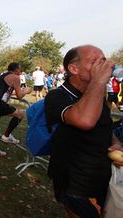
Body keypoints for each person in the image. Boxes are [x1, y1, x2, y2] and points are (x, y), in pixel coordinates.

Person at [45, 45, 123, 217]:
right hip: (76, 183)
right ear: (74, 69)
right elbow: (85, 121)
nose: (103, 64)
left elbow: (104, 127)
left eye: (103, 60)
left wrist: (116, 143)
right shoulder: (56, 96)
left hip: (102, 177)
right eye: (95, 61)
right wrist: (99, 81)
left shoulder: (96, 94)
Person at [0, 63, 31, 157]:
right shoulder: (15, 77)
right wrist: (27, 91)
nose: (20, 72)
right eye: (19, 69)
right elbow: (19, 95)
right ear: (16, 69)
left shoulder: (3, 76)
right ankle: (6, 135)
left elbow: (4, 91)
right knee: (20, 114)